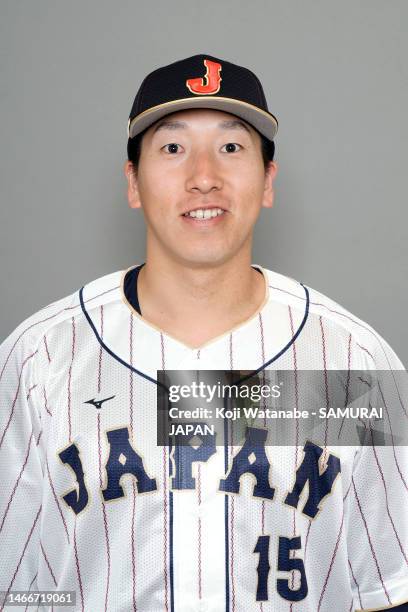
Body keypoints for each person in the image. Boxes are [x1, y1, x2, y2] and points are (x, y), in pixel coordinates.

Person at [0, 53, 407, 612]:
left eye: (232, 147)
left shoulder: (355, 365)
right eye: (172, 148)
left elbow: (389, 591)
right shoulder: (37, 360)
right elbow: (14, 588)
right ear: (133, 182)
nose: (204, 177)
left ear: (268, 181)